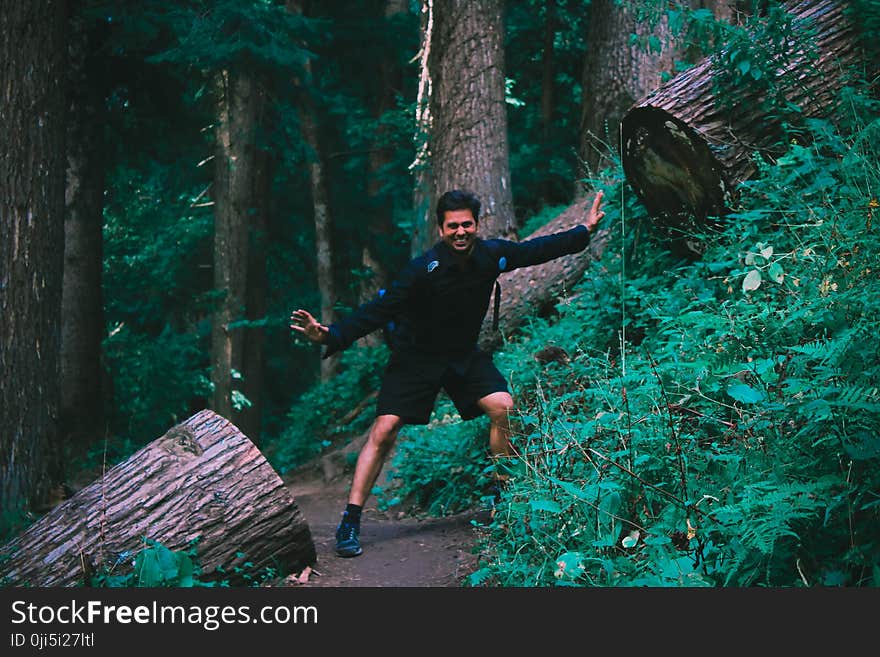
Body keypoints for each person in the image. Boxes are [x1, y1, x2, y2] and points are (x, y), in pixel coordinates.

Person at [290, 188, 605, 557]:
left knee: (503, 406)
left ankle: (503, 496)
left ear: (476, 225)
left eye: (466, 224)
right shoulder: (422, 270)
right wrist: (331, 333)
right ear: (441, 229)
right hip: (415, 357)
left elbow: (536, 250)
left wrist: (584, 230)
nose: (460, 232)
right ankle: (351, 520)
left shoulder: (492, 255)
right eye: (452, 226)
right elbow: (379, 311)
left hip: (461, 357)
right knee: (385, 428)